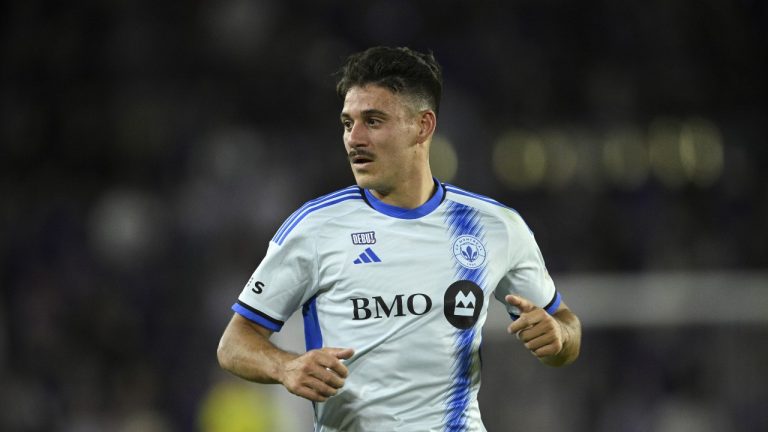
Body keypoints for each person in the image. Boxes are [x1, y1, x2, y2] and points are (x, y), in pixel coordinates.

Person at [217, 46, 582, 432]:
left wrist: (559, 336)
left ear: (423, 126)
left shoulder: (494, 226)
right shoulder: (315, 228)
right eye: (347, 123)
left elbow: (564, 326)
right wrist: (285, 366)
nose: (354, 138)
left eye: (373, 121)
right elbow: (234, 342)